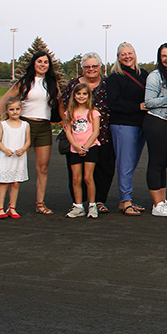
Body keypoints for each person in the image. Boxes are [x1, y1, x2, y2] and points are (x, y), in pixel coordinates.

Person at [0, 52, 60, 215]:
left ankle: (40, 203)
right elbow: (5, 101)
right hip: (25, 125)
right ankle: (9, 205)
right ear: (34, 63)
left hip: (44, 127)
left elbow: (60, 105)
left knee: (43, 168)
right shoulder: (25, 82)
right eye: (39, 61)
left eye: (46, 62)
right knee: (16, 163)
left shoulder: (52, 83)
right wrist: (3, 123)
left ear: (49, 65)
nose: (42, 64)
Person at [61, 52, 114, 215]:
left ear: (100, 67)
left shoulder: (107, 83)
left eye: (94, 66)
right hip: (76, 137)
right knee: (76, 174)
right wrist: (65, 121)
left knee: (103, 169)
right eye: (87, 66)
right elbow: (63, 103)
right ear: (82, 68)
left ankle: (98, 201)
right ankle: (78, 203)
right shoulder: (73, 85)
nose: (91, 69)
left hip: (101, 133)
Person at [106, 42, 149, 216]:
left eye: (129, 53)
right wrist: (137, 107)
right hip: (123, 125)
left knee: (131, 164)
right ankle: (126, 200)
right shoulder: (115, 77)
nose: (127, 56)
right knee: (125, 164)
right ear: (118, 57)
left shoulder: (143, 74)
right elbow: (113, 103)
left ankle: (125, 200)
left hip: (140, 125)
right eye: (123, 54)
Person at [143, 43, 167, 217]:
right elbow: (148, 102)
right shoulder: (155, 76)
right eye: (164, 56)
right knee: (156, 163)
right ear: (159, 58)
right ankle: (156, 204)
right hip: (158, 122)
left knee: (164, 164)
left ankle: (163, 200)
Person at [62, 83, 102, 219]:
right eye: (78, 94)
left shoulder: (93, 112)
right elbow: (68, 131)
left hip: (91, 147)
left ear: (89, 96)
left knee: (88, 177)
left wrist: (85, 147)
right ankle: (78, 206)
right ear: (74, 95)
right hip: (75, 148)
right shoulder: (70, 112)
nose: (81, 96)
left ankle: (92, 205)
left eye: (84, 94)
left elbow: (96, 131)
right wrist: (75, 146)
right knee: (76, 178)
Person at [0, 96, 31, 219]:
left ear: (21, 110)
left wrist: (23, 149)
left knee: (16, 183)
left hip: (18, 158)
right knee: (4, 183)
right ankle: (0, 208)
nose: (15, 112)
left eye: (17, 109)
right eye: (12, 109)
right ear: (7, 111)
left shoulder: (25, 125)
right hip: (6, 157)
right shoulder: (3, 125)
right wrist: (5, 150)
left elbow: (28, 141)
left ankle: (12, 207)